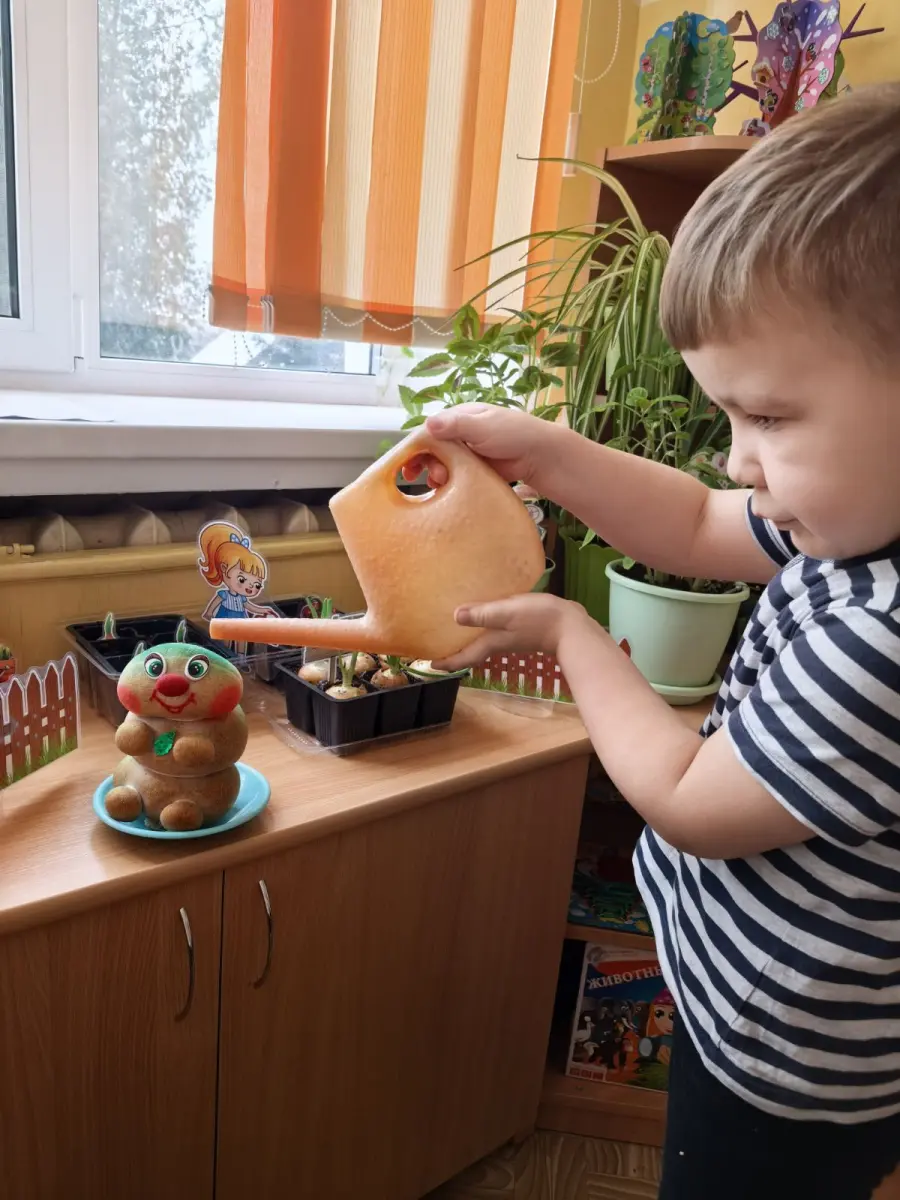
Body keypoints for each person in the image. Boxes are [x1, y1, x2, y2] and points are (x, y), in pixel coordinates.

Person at [405, 84, 900, 1199]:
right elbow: (691, 522)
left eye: (768, 417)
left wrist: (571, 634)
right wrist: (551, 451)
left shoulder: (882, 639)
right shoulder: (854, 517)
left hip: (785, 1067)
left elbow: (686, 797)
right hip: (763, 1012)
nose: (738, 458)